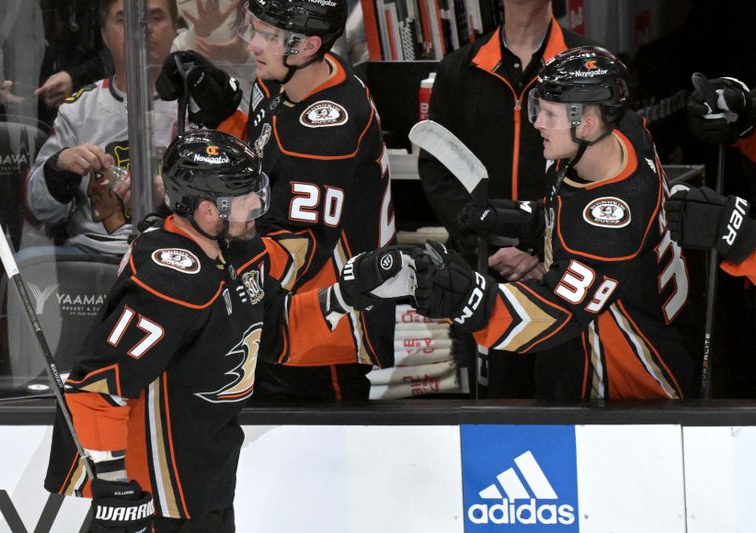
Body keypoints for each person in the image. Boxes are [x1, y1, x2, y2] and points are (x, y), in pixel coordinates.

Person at [43, 130, 417, 531]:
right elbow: (99, 386)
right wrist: (113, 485)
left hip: (211, 475)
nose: (257, 208)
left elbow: (277, 331)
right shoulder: (167, 281)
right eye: (244, 199)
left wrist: (350, 292)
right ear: (207, 209)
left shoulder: (240, 254)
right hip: (159, 493)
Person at [409, 47, 695, 400]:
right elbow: (570, 208)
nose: (537, 123)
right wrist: (520, 216)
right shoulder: (621, 135)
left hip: (631, 387)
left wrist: (469, 300)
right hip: (601, 344)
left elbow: (554, 314)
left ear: (586, 124)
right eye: (537, 108)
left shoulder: (611, 224)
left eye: (548, 114)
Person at [157, 0, 398, 400]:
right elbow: (266, 153)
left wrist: (200, 256)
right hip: (279, 321)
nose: (254, 44)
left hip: (322, 334)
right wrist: (218, 108)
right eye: (255, 29)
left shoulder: (327, 131)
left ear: (307, 46)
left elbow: (297, 250)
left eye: (268, 36)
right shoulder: (291, 82)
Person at [416, 0, 598, 398]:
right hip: (482, 270)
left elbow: (598, 174)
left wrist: (540, 250)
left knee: (563, 401)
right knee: (492, 405)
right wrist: (481, 243)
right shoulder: (459, 68)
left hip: (561, 274)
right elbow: (437, 168)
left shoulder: (589, 67)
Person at [25, 0, 179, 256]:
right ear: (105, 36)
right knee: (29, 263)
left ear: (175, 28)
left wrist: (172, 192)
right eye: (123, 20)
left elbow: (230, 208)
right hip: (91, 255)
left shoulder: (197, 107)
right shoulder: (78, 108)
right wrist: (60, 166)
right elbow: (38, 209)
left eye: (155, 17)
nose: (141, 29)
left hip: (174, 257)